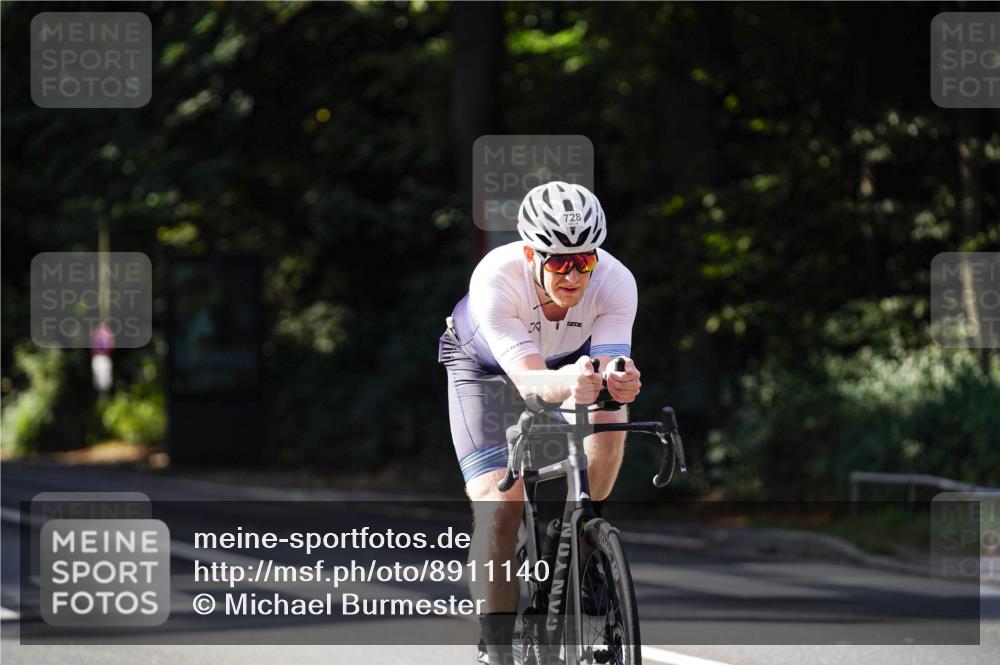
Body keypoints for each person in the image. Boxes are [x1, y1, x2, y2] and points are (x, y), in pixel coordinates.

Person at [438, 181, 642, 664]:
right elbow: (531, 383)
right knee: (500, 506)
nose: (573, 274)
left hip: (567, 361)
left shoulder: (616, 281)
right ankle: (497, 647)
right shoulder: (496, 278)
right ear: (531, 253)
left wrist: (622, 380)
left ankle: (581, 539)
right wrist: (572, 379)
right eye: (557, 261)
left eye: (584, 260)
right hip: (483, 368)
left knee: (613, 412)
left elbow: (611, 364)